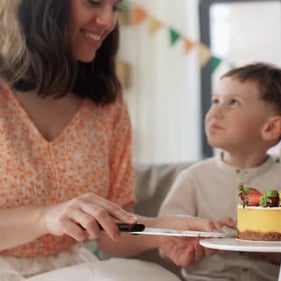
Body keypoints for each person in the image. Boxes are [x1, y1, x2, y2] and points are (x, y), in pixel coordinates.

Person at [0, 1, 230, 280]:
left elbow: (111, 235)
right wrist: (45, 218)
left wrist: (165, 233)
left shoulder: (106, 101)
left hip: (70, 269)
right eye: (94, 2)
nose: (108, 21)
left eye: (116, 8)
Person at [158, 62, 281, 281]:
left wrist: (262, 244)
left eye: (233, 103)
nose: (215, 111)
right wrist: (187, 247)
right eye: (215, 101)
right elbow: (164, 242)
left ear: (270, 128)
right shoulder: (192, 179)